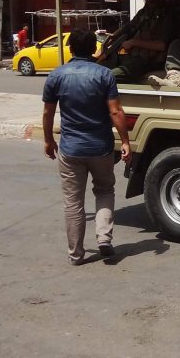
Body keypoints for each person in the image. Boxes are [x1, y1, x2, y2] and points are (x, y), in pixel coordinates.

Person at [42, 29, 132, 265]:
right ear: (94, 48)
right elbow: (115, 111)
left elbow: (48, 112)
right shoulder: (104, 75)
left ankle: (76, 254)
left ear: (70, 48)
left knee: (73, 202)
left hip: (70, 149)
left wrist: (48, 140)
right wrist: (125, 141)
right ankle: (104, 238)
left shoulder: (56, 76)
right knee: (104, 191)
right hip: (100, 147)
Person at [100, 0, 170, 82]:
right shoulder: (143, 12)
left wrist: (133, 42)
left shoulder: (165, 13)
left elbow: (162, 45)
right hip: (133, 57)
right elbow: (128, 27)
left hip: (148, 61)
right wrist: (112, 38)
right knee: (99, 67)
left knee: (107, 77)